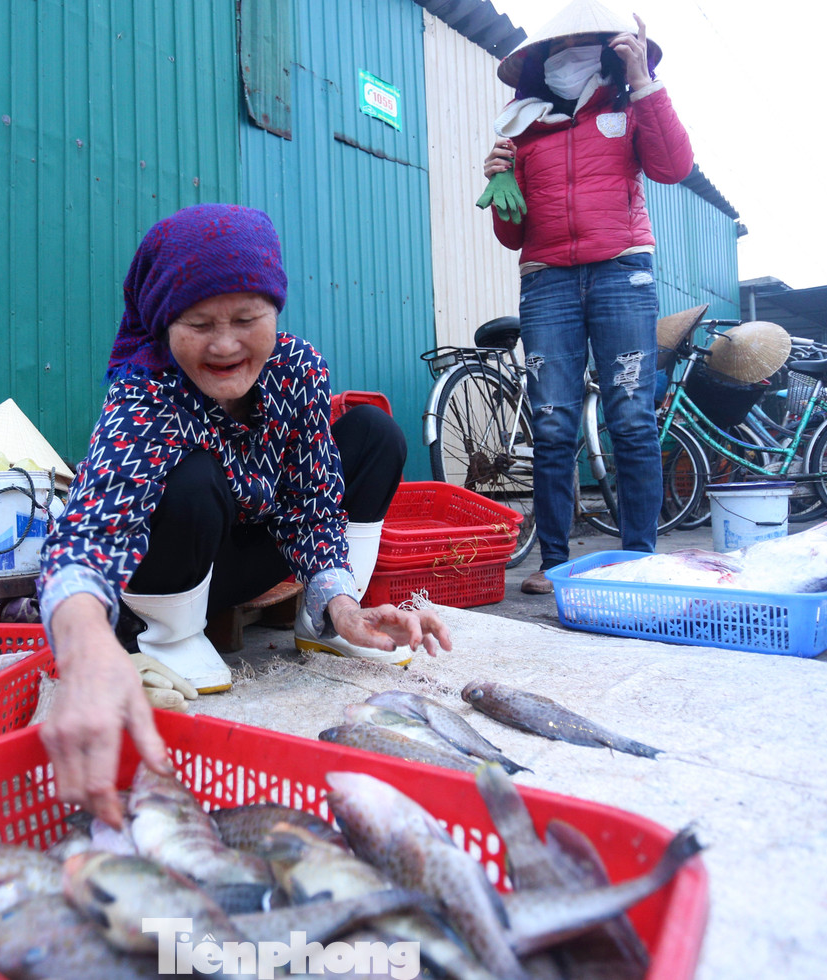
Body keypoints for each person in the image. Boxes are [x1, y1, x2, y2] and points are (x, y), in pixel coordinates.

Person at [35, 203, 453, 826]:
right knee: (192, 476)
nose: (226, 344)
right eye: (198, 323)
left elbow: (314, 500)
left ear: (274, 312)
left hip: (251, 557)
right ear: (163, 323)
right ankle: (169, 636)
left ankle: (328, 620)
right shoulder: (146, 390)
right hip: (173, 565)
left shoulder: (298, 368)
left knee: (373, 433)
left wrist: (341, 602)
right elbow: (89, 535)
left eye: (247, 319)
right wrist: (83, 644)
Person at [480, 0, 694, 595]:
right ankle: (554, 563)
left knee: (631, 416)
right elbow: (512, 236)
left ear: (607, 53)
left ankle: (639, 560)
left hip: (621, 271)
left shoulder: (629, 109)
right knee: (552, 424)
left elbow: (674, 166)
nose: (568, 55)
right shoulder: (522, 132)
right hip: (546, 280)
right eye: (557, 48)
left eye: (581, 46)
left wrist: (644, 81)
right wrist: (499, 180)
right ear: (540, 63)